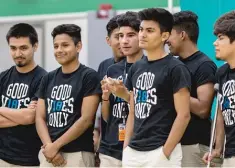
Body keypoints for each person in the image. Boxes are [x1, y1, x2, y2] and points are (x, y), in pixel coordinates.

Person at [107, 8, 191, 167]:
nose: (142, 35)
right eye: (141, 30)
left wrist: (165, 152)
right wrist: (126, 147)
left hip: (161, 150)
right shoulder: (136, 67)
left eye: (150, 31)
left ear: (164, 36)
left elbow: (184, 115)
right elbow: (133, 109)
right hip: (134, 151)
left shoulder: (176, 68)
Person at [36, 24, 101, 167]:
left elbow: (86, 119)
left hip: (77, 154)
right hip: (49, 154)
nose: (59, 50)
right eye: (56, 46)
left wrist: (55, 146)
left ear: (78, 46)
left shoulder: (89, 76)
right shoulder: (48, 78)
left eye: (65, 45)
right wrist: (49, 147)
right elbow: (39, 117)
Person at [166, 10, 221, 167]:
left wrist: (174, 91)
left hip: (194, 147)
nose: (166, 40)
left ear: (182, 35)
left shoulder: (204, 65)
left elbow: (203, 109)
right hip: (173, 144)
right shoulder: (172, 63)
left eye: (169, 34)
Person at [202, 18, 235, 167]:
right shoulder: (222, 72)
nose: (215, 43)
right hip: (230, 153)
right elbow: (221, 111)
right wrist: (218, 148)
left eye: (221, 38)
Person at [98, 11, 143, 167]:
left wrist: (125, 95)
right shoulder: (112, 70)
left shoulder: (149, 68)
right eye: (120, 36)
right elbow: (106, 117)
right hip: (110, 149)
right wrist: (105, 97)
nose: (124, 41)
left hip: (139, 147)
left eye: (130, 35)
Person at [0, 23, 47, 166]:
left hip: (28, 160)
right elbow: (26, 117)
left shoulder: (44, 79)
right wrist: (22, 115)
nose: (18, 54)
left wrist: (2, 110)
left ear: (35, 46)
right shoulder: (3, 78)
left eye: (23, 48)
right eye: (13, 48)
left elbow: (31, 117)